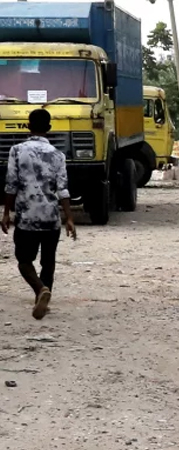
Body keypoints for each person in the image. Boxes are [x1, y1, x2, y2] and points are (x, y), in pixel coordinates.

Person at [1, 109, 76, 320]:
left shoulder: (17, 151)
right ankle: (42, 300)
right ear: (49, 129)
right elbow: (63, 189)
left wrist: (6, 213)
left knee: (24, 261)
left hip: (27, 216)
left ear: (28, 126)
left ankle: (40, 290)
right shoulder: (58, 155)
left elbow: (11, 184)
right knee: (48, 262)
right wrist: (69, 217)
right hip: (51, 217)